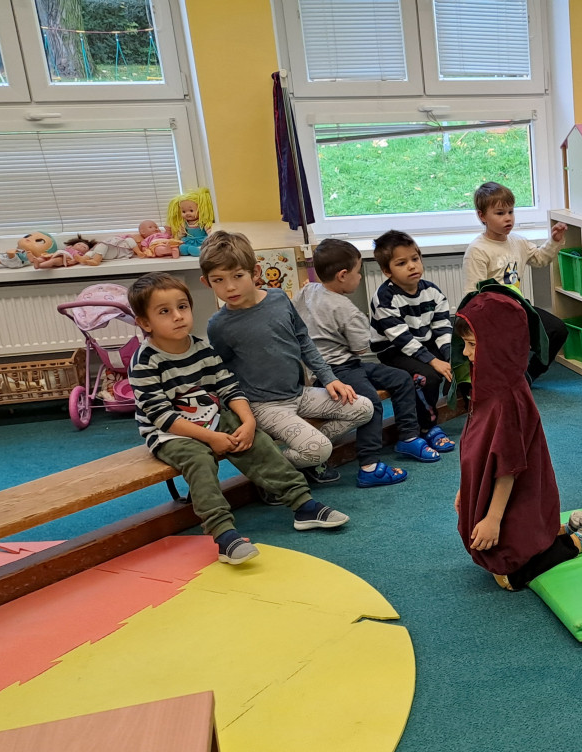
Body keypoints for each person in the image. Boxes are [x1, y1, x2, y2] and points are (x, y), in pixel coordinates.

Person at [128, 271, 349, 565]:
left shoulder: (201, 347)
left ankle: (302, 504)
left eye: (182, 307)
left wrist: (248, 421)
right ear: (145, 323)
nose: (178, 316)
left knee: (255, 440)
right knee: (199, 460)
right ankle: (223, 534)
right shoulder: (145, 361)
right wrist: (211, 438)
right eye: (164, 312)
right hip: (171, 433)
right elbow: (160, 416)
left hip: (210, 418)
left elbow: (228, 386)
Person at [453, 290, 582, 590]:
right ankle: (559, 530)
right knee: (495, 553)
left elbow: (508, 467)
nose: (466, 353)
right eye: (465, 345)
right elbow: (477, 446)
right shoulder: (487, 384)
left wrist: (493, 519)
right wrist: (466, 488)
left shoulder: (507, 398)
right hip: (502, 490)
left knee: (509, 577)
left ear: (498, 345)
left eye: (472, 345)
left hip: (514, 492)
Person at [203, 232, 373, 486]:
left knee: (364, 408)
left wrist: (329, 378)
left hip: (299, 393)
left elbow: (303, 340)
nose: (229, 287)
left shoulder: (278, 298)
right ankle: (272, 473)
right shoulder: (218, 325)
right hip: (263, 406)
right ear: (207, 282)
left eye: (238, 276)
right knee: (320, 449)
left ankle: (296, 457)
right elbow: (223, 374)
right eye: (219, 280)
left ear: (255, 272)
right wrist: (241, 415)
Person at [295, 239, 442, 488]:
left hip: (340, 367)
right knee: (371, 403)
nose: (360, 277)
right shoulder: (347, 310)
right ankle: (369, 465)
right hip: (338, 371)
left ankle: (408, 436)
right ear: (342, 275)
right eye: (357, 272)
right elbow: (361, 348)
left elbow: (294, 307)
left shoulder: (308, 291)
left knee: (400, 378)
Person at [462, 181, 570, 380]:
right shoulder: (477, 250)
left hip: (519, 308)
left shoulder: (518, 241)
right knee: (504, 353)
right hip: (493, 315)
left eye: (511, 212)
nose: (508, 218)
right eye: (500, 213)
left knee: (557, 330)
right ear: (482, 216)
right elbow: (472, 294)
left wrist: (554, 240)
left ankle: (529, 376)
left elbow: (540, 259)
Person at [368, 229, 460, 453]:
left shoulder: (432, 291)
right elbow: (401, 339)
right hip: (393, 350)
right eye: (401, 263)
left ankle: (449, 406)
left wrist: (449, 356)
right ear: (387, 271)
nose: (412, 266)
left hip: (422, 343)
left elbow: (442, 327)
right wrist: (433, 362)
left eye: (415, 259)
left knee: (458, 362)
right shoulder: (384, 297)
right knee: (428, 377)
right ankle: (427, 427)